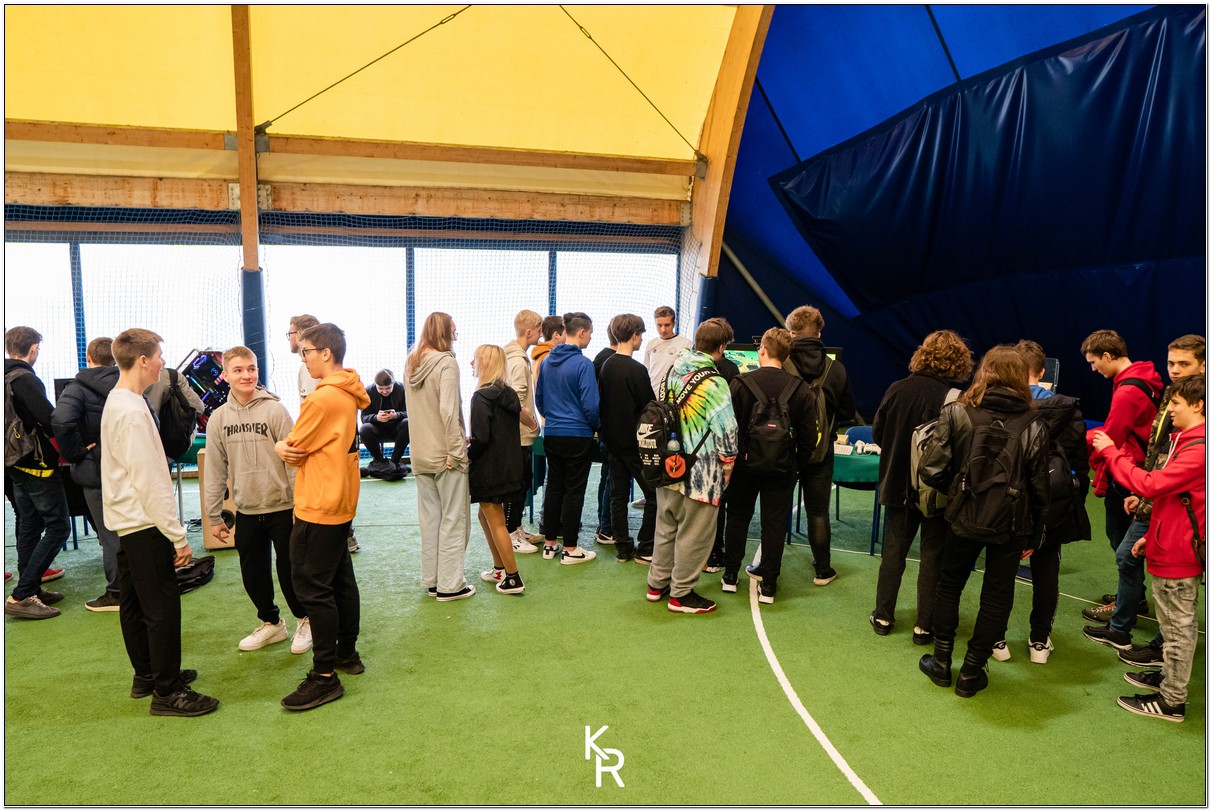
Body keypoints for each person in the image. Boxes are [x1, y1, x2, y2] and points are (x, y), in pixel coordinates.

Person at [916, 345, 1049, 698]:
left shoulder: (957, 411)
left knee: (949, 585)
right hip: (1012, 523)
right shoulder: (1034, 424)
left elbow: (930, 469)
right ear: (1021, 377)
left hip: (963, 517)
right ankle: (972, 671)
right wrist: (1035, 533)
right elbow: (1040, 488)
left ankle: (941, 661)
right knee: (996, 596)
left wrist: (958, 492)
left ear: (984, 372)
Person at [101, 328, 218, 716]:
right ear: (143, 361)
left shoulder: (119, 400)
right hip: (144, 523)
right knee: (162, 608)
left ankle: (148, 675)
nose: (163, 363)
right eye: (159, 356)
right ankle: (167, 692)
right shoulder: (133, 412)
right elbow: (151, 481)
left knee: (135, 602)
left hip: (128, 521)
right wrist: (177, 536)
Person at [1082, 335, 1205, 659]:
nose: (1174, 370)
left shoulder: (1194, 418)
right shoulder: (1171, 394)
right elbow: (1161, 452)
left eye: (1184, 363)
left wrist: (1113, 458)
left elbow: (1173, 465)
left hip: (1182, 511)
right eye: (1171, 363)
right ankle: (1132, 630)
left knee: (1178, 591)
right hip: (1160, 496)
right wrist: (1145, 494)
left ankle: (1165, 662)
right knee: (1136, 560)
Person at [1093, 374, 1205, 723]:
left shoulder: (1199, 449)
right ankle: (1168, 681)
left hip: (1178, 556)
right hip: (1171, 545)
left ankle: (1171, 702)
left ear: (1198, 406)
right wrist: (1151, 534)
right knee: (1174, 627)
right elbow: (1176, 499)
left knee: (1177, 629)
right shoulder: (1187, 441)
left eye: (1176, 404)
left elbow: (1150, 483)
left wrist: (1111, 452)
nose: (1169, 410)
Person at [274, 323, 369, 710]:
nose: (304, 359)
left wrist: (279, 445)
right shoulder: (347, 391)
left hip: (319, 504)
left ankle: (325, 676)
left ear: (326, 353)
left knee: (312, 588)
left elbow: (294, 448)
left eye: (307, 352)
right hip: (339, 502)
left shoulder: (322, 398)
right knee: (340, 580)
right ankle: (346, 654)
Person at [204, 346, 310, 655]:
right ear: (226, 375)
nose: (246, 375)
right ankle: (272, 624)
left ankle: (306, 620)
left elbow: (294, 461)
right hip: (247, 509)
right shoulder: (218, 419)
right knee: (253, 574)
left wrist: (299, 504)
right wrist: (213, 516)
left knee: (290, 571)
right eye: (238, 370)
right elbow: (215, 469)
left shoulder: (275, 410)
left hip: (283, 508)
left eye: (251, 369)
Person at [989, 339, 1089, 664]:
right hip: (1053, 504)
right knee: (1047, 571)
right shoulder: (1069, 410)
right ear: (1042, 372)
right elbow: (1080, 465)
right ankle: (1040, 642)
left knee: (1001, 573)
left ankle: (997, 639)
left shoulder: (1001, 407)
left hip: (1009, 505)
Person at [869, 329, 974, 641]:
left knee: (893, 553)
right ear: (959, 362)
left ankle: (883, 616)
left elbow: (878, 433)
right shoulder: (956, 399)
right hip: (936, 490)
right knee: (933, 558)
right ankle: (924, 625)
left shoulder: (897, 388)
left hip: (896, 484)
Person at [648, 320, 738, 614]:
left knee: (666, 528)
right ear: (721, 347)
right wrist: (728, 466)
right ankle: (681, 594)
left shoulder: (672, 370)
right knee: (694, 536)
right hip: (701, 473)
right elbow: (727, 429)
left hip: (669, 465)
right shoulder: (715, 383)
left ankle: (657, 584)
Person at [722, 328, 814, 604]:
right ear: (786, 356)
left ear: (762, 349)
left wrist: (736, 458)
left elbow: (729, 428)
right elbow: (809, 437)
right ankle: (769, 585)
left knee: (737, 517)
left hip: (744, 466)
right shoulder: (800, 388)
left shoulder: (740, 383)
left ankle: (730, 576)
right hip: (782, 468)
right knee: (774, 524)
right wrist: (796, 466)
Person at [784, 305, 856, 586]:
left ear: (791, 333)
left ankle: (768, 570)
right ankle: (823, 570)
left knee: (776, 511)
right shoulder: (836, 369)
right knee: (818, 512)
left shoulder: (781, 364)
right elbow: (847, 412)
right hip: (821, 451)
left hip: (784, 452)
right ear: (819, 333)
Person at [406, 312, 474, 601]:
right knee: (454, 519)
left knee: (431, 519)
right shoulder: (447, 363)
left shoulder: (412, 364)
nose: (455, 337)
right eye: (453, 332)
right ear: (445, 334)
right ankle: (451, 585)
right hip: (446, 456)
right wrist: (457, 451)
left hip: (420, 455)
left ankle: (433, 581)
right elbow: (448, 410)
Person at [4, 326, 70, 619]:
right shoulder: (25, 379)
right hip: (36, 462)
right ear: (32, 349)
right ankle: (22, 594)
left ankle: (31, 587)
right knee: (58, 527)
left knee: (30, 523)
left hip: (13, 462)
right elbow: (49, 418)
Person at [51, 336, 122, 612]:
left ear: (88, 358)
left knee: (109, 533)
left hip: (95, 470)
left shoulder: (77, 387)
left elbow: (60, 420)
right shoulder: (128, 383)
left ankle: (117, 593)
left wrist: (76, 453)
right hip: (129, 466)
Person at [1081, 329, 1162, 561]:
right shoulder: (1144, 378)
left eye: (1093, 362)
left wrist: (1078, 439)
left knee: (1121, 541)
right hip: (1143, 463)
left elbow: (1111, 438)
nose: (1093, 369)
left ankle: (1129, 586)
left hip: (1128, 469)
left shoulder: (1127, 391)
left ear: (1107, 356)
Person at [534, 311, 600, 564]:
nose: (590, 338)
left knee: (554, 488)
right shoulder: (584, 364)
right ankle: (571, 548)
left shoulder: (547, 361)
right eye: (590, 333)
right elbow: (591, 405)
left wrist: (553, 419)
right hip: (578, 435)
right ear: (581, 332)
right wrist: (595, 426)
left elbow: (540, 400)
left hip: (552, 433)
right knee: (574, 491)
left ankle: (550, 544)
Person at [598, 314, 657, 563]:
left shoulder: (606, 365)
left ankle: (623, 547)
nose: (641, 339)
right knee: (654, 494)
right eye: (640, 335)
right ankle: (645, 547)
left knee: (618, 495)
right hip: (634, 445)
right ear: (634, 336)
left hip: (611, 442)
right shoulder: (637, 370)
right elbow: (650, 406)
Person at [469, 344, 528, 595]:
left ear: (484, 363)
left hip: (489, 470)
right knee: (486, 517)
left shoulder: (481, 396)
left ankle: (513, 577)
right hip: (509, 468)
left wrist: (467, 455)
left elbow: (481, 438)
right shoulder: (509, 394)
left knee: (496, 522)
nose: (471, 363)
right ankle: (499, 569)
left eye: (475, 359)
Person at [694, 317, 740, 573]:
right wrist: (728, 462)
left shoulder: (679, 368)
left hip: (685, 452)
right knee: (716, 505)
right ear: (722, 346)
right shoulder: (727, 372)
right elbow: (728, 421)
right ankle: (712, 554)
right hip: (712, 453)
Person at [503, 310, 543, 554]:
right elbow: (515, 401)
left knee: (523, 482)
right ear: (529, 332)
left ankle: (516, 528)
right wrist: (533, 424)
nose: (541, 335)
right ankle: (510, 534)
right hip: (517, 435)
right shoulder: (517, 361)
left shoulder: (513, 355)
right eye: (538, 331)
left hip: (518, 435)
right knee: (517, 486)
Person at [592, 326, 619, 546]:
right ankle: (607, 528)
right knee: (611, 478)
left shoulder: (600, 358)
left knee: (606, 477)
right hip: (610, 430)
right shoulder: (610, 361)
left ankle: (603, 525)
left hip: (603, 430)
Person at [359, 368, 410, 477]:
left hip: (398, 429)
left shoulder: (402, 389)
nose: (385, 391)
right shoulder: (369, 391)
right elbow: (364, 417)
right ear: (375, 385)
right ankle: (379, 461)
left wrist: (397, 415)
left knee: (407, 423)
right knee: (364, 428)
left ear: (393, 384)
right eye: (381, 388)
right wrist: (376, 418)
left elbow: (411, 414)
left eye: (388, 388)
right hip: (377, 429)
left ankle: (395, 460)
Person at [643, 305, 691, 394]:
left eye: (667, 325)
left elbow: (689, 374)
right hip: (653, 396)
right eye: (659, 325)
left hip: (675, 396)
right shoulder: (651, 344)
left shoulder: (686, 344)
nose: (663, 329)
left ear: (674, 324)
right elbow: (646, 371)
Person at [287, 313, 321, 402]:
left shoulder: (309, 367)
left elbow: (310, 404)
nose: (288, 339)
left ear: (299, 335)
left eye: (290, 334)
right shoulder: (321, 362)